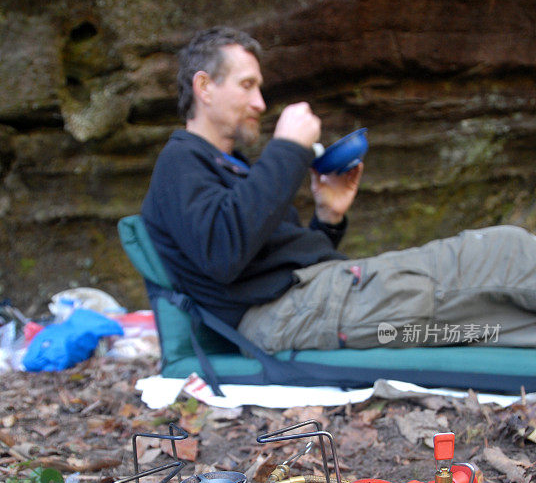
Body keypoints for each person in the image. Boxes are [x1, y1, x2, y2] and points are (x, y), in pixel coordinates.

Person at [142, 27, 536, 353]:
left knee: (500, 319)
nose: (260, 103)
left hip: (310, 306)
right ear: (205, 87)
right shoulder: (180, 162)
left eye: (259, 88)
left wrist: (328, 219)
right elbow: (222, 253)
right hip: (286, 317)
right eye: (247, 85)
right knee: (503, 252)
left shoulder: (235, 169)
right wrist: (287, 150)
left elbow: (275, 264)